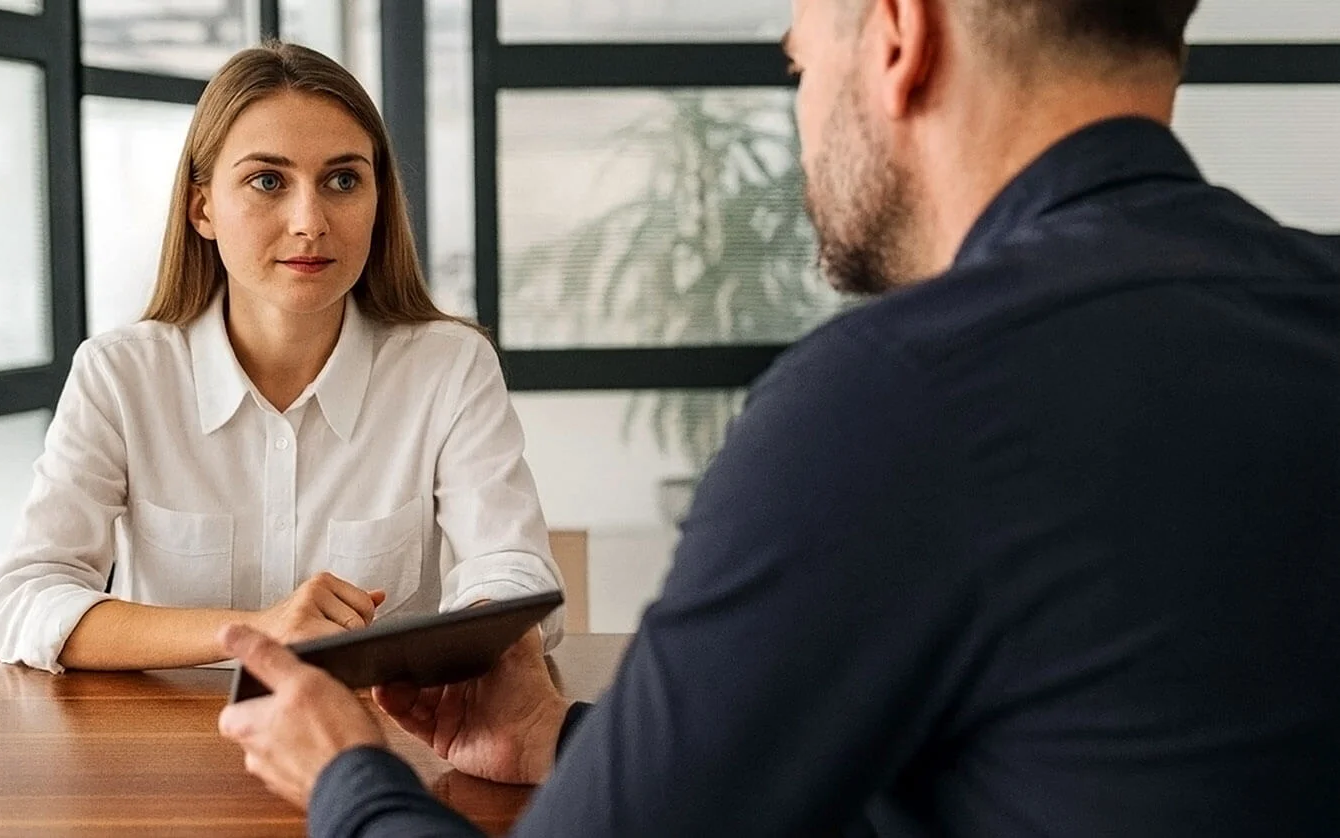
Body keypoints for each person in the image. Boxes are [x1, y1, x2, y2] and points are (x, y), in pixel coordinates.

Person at [217, 0, 1340, 835]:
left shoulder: (896, 396)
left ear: (897, 40)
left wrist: (347, 777)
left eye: (801, 63)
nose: (801, 117)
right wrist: (562, 739)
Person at [0, 42, 564, 674]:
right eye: (268, 181)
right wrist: (257, 631)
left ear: (379, 199)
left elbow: (516, 577)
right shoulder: (120, 376)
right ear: (202, 207)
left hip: (371, 747)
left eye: (343, 180)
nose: (309, 221)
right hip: (173, 752)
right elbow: (26, 598)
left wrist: (489, 622)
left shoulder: (450, 369)